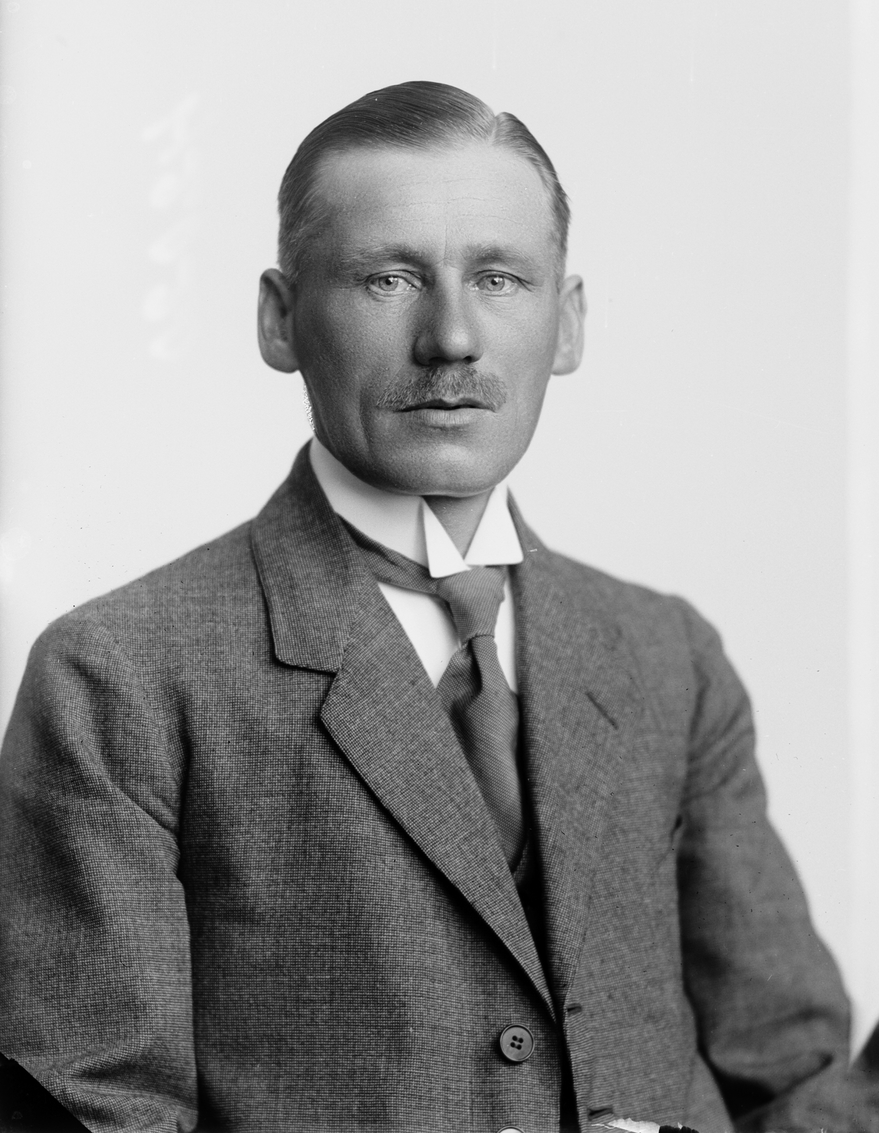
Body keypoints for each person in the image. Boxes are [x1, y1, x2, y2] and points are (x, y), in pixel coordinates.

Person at [0, 81, 852, 1133]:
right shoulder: (121, 674)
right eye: (388, 278)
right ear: (279, 319)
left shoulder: (668, 654)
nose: (451, 337)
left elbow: (801, 1084)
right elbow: (98, 1110)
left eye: (499, 278)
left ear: (567, 324)